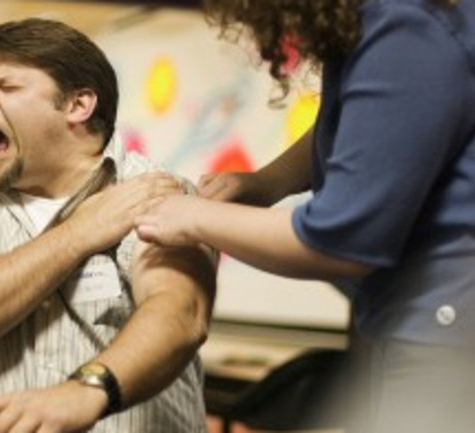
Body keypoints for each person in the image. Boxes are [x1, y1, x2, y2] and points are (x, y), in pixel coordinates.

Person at [135, 0, 475, 432]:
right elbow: (372, 125)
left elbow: (338, 243)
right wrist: (268, 182)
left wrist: (193, 217)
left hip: (446, 333)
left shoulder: (405, 29)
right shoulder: (390, 24)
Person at [0, 17, 216, 433]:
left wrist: (88, 390)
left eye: (7, 87)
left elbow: (179, 313)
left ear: (78, 106)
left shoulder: (151, 190)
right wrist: (79, 233)